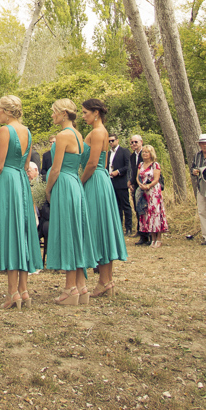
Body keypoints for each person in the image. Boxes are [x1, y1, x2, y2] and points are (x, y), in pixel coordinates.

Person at [0, 95, 41, 309]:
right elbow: (27, 162)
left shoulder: (5, 130)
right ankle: (24, 290)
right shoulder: (27, 131)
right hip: (21, 180)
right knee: (23, 232)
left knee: (10, 232)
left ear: (7, 112)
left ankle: (12, 293)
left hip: (7, 181)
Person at [43, 99, 91, 305]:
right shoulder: (78, 135)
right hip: (75, 184)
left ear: (63, 113)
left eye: (54, 112)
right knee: (76, 232)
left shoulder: (63, 136)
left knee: (68, 233)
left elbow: (55, 168)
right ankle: (81, 287)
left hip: (63, 183)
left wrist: (47, 189)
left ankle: (70, 288)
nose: (52, 116)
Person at [79, 99, 125, 297]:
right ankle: (106, 280)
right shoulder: (101, 131)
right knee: (102, 228)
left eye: (85, 112)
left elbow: (93, 163)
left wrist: (80, 183)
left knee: (99, 229)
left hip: (95, 181)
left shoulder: (98, 132)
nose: (83, 116)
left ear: (96, 112)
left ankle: (105, 281)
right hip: (101, 179)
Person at [136, 145, 168, 246]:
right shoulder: (140, 164)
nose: (145, 154)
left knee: (155, 214)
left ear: (151, 154)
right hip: (144, 192)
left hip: (153, 191)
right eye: (144, 152)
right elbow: (138, 177)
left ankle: (158, 238)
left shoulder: (155, 165)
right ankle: (152, 238)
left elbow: (156, 179)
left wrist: (148, 186)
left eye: (147, 152)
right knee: (147, 214)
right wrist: (140, 184)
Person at [105, 133, 133, 234]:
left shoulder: (124, 151)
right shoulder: (108, 153)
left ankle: (129, 227)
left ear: (117, 140)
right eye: (109, 141)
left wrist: (118, 171)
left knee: (125, 205)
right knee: (116, 206)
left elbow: (127, 166)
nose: (111, 143)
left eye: (112, 140)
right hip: (111, 182)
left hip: (121, 182)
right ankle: (119, 227)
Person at [126, 135, 149, 245]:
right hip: (136, 185)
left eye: (135, 142)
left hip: (145, 185)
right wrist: (130, 181)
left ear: (141, 142)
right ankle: (141, 232)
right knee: (137, 208)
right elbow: (132, 170)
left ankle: (147, 234)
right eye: (131, 142)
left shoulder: (146, 153)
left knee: (145, 209)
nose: (133, 144)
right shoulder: (132, 156)